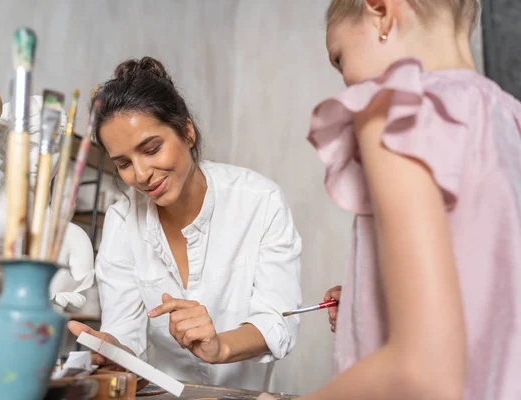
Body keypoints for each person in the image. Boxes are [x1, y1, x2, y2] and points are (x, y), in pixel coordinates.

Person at [265, 0, 520, 399]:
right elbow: (492, 288)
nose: (345, 79)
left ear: (382, 13)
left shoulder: (396, 109)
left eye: (339, 58)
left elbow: (424, 371)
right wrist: (373, 297)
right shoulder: (509, 119)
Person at [68, 57, 302, 391]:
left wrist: (218, 346)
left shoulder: (260, 202)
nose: (142, 174)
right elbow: (125, 333)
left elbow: (278, 322)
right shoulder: (122, 221)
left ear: (187, 131)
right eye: (124, 163)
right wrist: (109, 350)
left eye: (152, 149)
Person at [0, 95, 95, 308]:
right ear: (5, 149)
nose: (41, 158)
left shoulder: (75, 239)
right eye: (29, 147)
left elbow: (85, 307)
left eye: (52, 149)